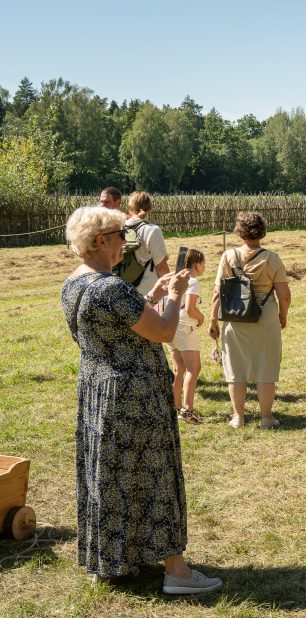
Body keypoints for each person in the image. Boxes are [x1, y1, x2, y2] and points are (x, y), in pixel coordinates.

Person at [61, 206, 222, 594]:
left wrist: (153, 294)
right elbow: (166, 331)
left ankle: (116, 559)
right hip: (134, 395)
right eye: (121, 238)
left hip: (98, 390)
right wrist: (176, 294)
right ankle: (177, 572)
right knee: (155, 475)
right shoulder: (111, 288)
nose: (126, 245)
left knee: (112, 476)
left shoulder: (73, 283)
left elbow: (121, 324)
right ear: (101, 242)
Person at [208, 211, 291, 429]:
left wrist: (213, 320)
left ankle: (238, 417)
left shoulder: (228, 256)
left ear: (240, 232)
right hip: (265, 316)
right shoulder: (272, 258)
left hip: (235, 317)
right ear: (262, 231)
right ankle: (266, 417)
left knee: (235, 367)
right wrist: (283, 314)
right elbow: (284, 295)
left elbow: (217, 292)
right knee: (266, 366)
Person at [171, 248, 207, 425]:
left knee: (179, 369)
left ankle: (175, 408)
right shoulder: (192, 282)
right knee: (194, 368)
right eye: (204, 264)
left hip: (170, 326)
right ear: (198, 265)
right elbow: (190, 308)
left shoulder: (174, 278)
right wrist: (201, 318)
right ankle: (188, 410)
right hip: (185, 327)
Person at [125, 191, 170, 296]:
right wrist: (170, 289)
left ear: (130, 208)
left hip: (124, 290)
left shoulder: (120, 228)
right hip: (147, 294)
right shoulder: (152, 230)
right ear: (150, 207)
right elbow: (161, 267)